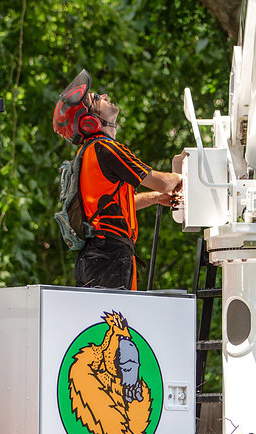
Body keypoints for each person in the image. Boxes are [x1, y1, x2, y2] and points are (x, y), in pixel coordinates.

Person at [52, 70, 183, 290]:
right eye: (96, 99)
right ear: (89, 122)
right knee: (116, 320)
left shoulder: (89, 153)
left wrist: (155, 198)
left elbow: (114, 204)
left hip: (96, 255)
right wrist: (183, 175)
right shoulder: (105, 148)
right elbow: (162, 181)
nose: (103, 95)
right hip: (109, 255)